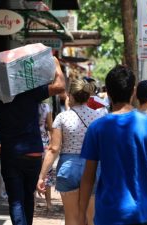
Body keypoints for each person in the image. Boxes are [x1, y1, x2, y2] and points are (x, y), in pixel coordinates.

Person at [79, 65, 147, 225]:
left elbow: (88, 177)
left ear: (107, 92)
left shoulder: (96, 128)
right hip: (143, 212)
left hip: (108, 213)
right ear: (133, 91)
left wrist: (81, 212)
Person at [0, 57, 65, 225]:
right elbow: (60, 87)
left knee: (16, 200)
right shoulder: (30, 91)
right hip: (33, 153)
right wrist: (56, 64)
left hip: (10, 154)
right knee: (29, 198)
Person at [37, 78, 102, 225]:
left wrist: (42, 176)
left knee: (71, 218)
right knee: (91, 218)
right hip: (92, 168)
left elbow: (54, 149)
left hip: (68, 168)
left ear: (70, 95)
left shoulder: (62, 117)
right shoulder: (98, 117)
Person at [38, 101, 53, 210]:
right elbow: (50, 126)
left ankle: (32, 204)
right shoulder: (46, 106)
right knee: (47, 171)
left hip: (29, 141)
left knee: (32, 172)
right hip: (43, 141)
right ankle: (49, 204)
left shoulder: (27, 105)